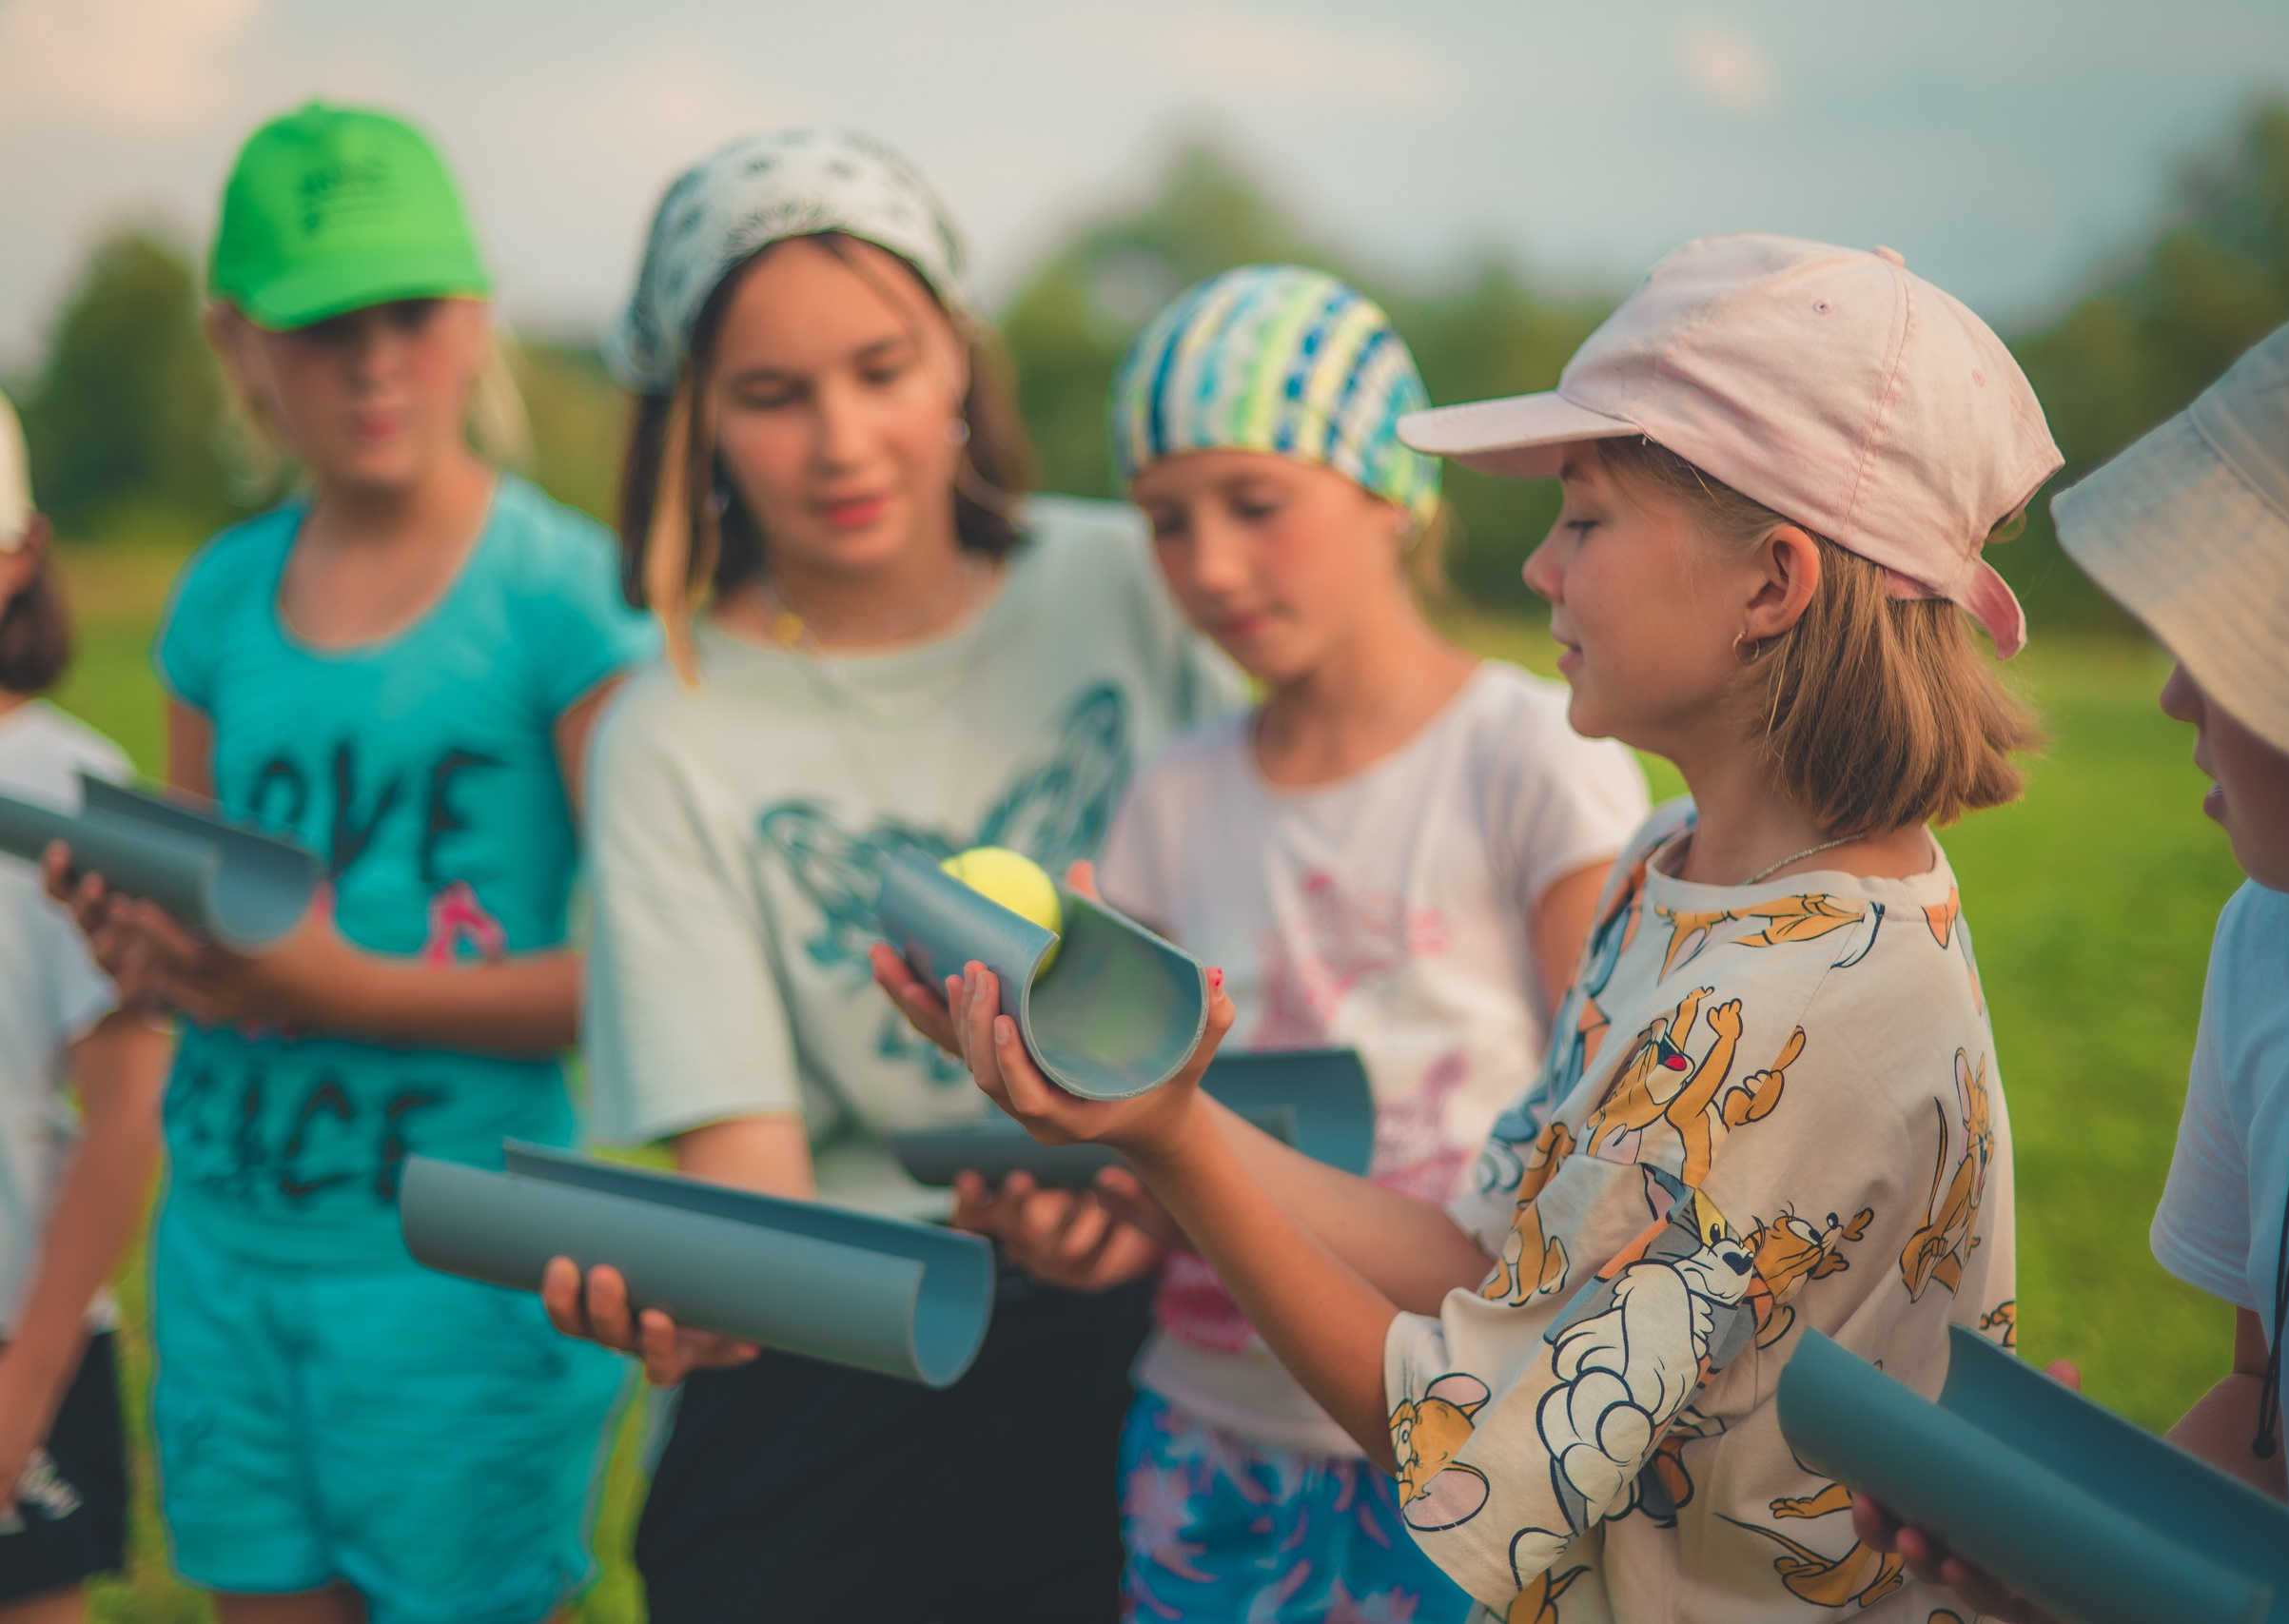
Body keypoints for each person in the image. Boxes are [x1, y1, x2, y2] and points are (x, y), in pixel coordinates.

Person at [889, 233, 2062, 1621]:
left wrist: (1172, 1139)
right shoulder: (1669, 873)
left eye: (1587, 520)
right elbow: (1483, 1257)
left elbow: (1454, 1440)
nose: (1542, 573)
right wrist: (1161, 1101)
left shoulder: (1795, 1006)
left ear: (1773, 583)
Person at [539, 130, 1242, 1624]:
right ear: (694, 425)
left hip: (1167, 1300)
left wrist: (1147, 1194)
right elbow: (755, 1190)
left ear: (958, 368)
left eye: (880, 367)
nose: (842, 441)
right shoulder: (669, 730)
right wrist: (707, 1304)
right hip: (845, 1335)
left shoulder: (1138, 583)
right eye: (772, 396)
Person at [945, 264, 1650, 1622]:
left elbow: (1609, 1142)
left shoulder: (1526, 760)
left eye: (1254, 505)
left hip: (1476, 1444)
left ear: (1396, 493)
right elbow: (1154, 1135)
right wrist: (1092, 1223)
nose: (1208, 564)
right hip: (1207, 1442)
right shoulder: (1171, 794)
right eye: (1164, 522)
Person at [49, 103, 649, 1624]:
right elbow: (198, 928)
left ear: (476, 317)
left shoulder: (565, 600)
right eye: (324, 326)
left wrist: (343, 986)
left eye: (410, 311)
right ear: (239, 343)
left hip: (464, 1270)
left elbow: (645, 974)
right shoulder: (219, 601)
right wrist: (147, 951)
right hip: (232, 1248)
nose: (375, 359)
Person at [1849, 264, 2289, 1615]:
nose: (2173, 694)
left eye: (2240, 650)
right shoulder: (2277, 951)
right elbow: (2270, 1418)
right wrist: (2066, 1540)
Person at [0, 390, 170, 1624]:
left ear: (20, 555)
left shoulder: (70, 791)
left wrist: (29, 1382)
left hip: (21, 1334)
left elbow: (125, 1112)